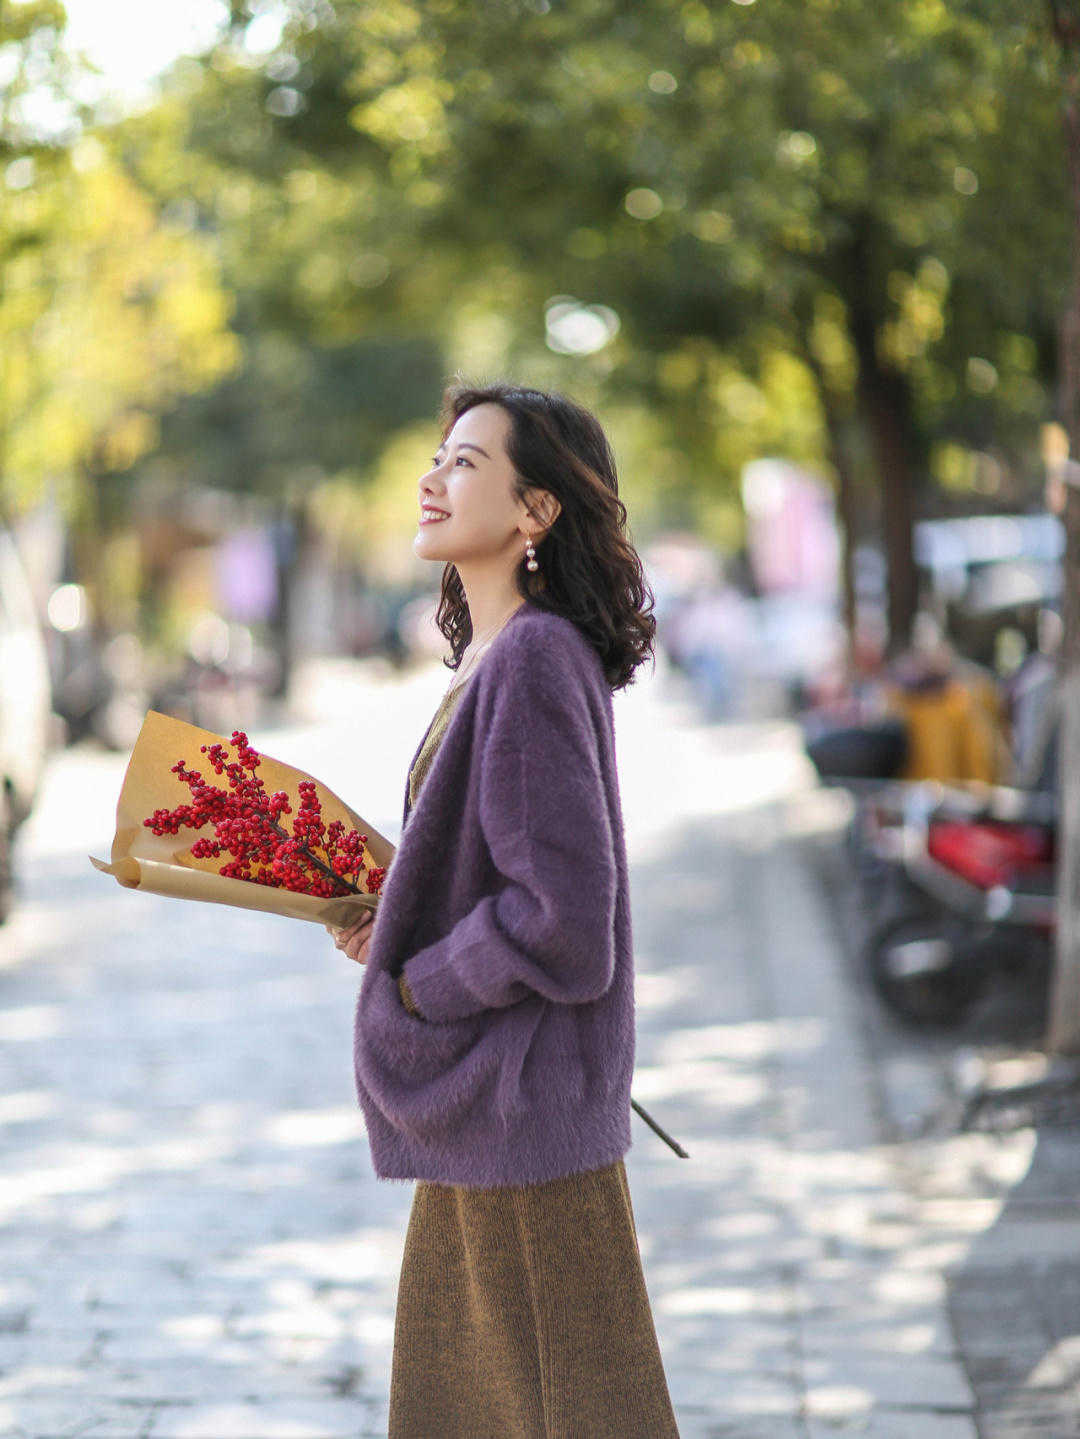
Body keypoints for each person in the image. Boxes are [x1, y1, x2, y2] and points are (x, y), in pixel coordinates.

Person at [327, 381, 680, 1438]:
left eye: (467, 462)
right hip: (494, 1112)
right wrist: (397, 925)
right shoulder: (498, 657)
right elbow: (505, 878)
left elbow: (566, 921)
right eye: (437, 455)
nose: (433, 477)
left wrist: (420, 983)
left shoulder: (530, 657)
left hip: (519, 1111)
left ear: (538, 511)